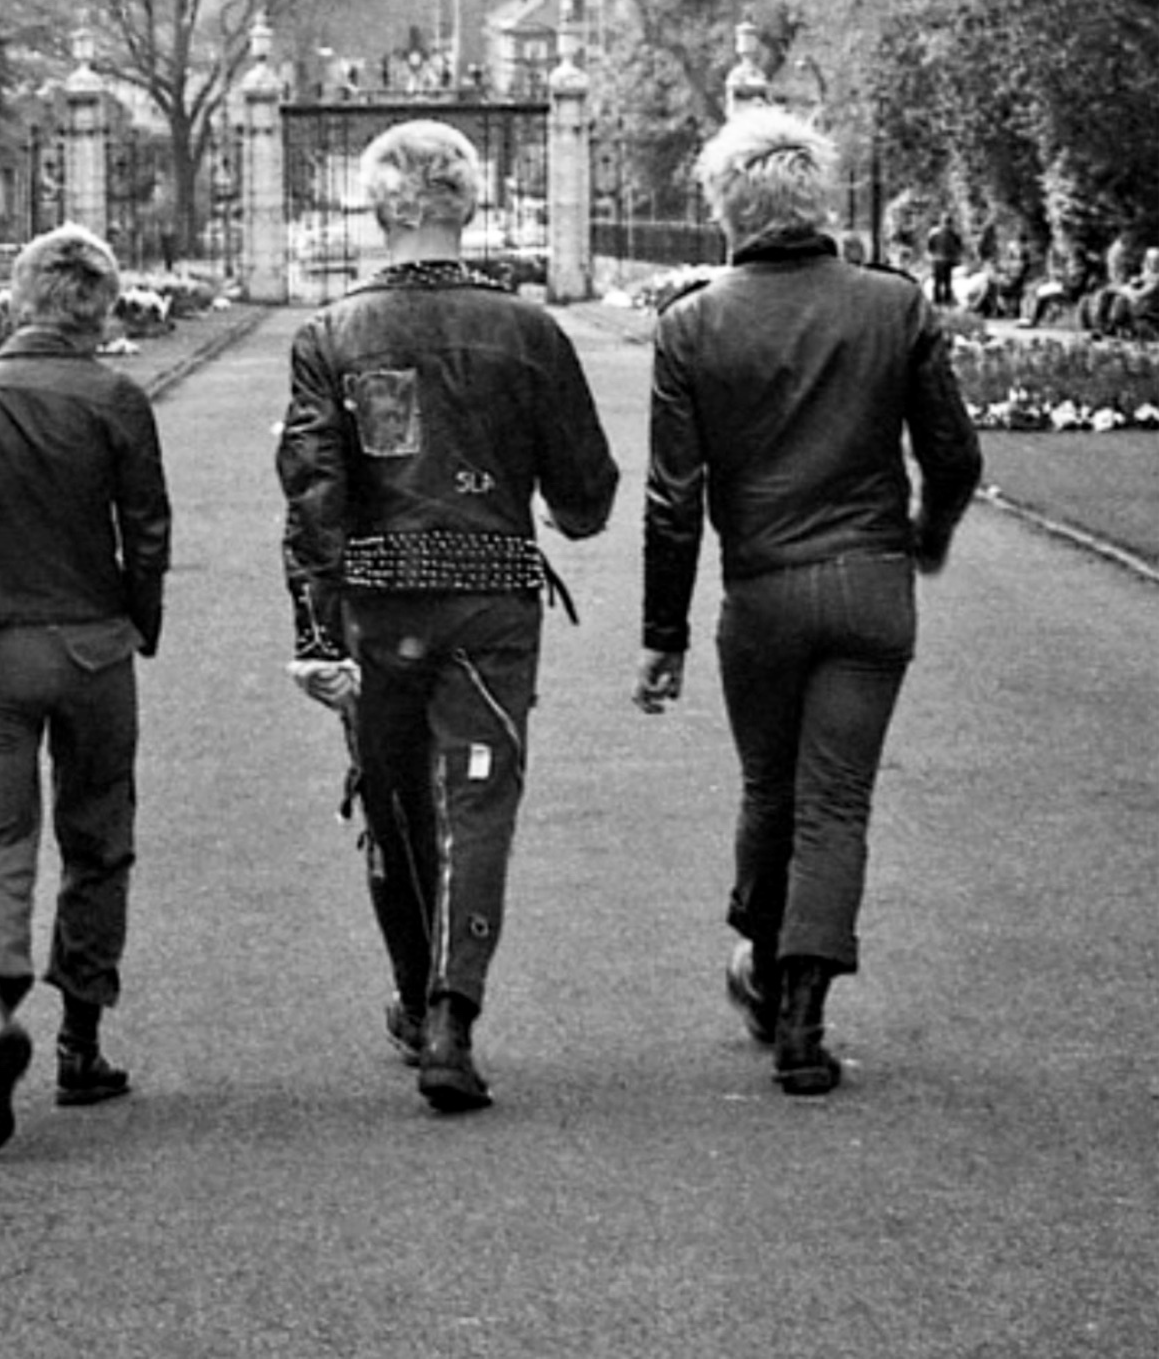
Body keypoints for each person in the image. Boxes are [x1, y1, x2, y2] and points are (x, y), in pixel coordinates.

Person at [635, 106, 981, 1096]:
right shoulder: (894, 303)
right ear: (817, 199)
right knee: (837, 801)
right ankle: (804, 1013)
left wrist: (662, 637)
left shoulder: (693, 324)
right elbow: (952, 452)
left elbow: (673, 500)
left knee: (770, 790)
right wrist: (930, 535)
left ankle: (758, 948)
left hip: (765, 591)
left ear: (724, 209)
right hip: (872, 582)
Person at [276, 120, 618, 1114]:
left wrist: (311, 631)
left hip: (378, 603)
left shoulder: (330, 335)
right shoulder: (528, 332)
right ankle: (453, 1015)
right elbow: (587, 502)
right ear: (470, 206)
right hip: (492, 598)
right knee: (478, 799)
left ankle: (409, 990)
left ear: (377, 211)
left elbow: (313, 501)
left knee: (390, 803)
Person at [0, 223, 171, 1159]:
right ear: (101, 306)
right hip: (91, 645)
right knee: (98, 841)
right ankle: (82, 1042)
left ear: (19, 299)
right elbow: (147, 528)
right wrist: (140, 620)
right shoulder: (115, 399)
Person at [925, 215, 963, 306]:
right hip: (946, 260)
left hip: (938, 260)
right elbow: (959, 248)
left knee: (940, 282)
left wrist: (933, 255)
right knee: (946, 282)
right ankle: (945, 301)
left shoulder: (935, 234)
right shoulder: (953, 234)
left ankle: (938, 302)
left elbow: (930, 247)